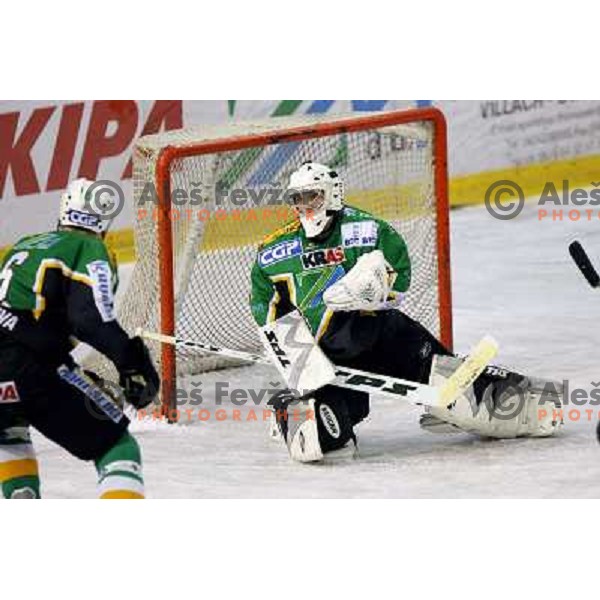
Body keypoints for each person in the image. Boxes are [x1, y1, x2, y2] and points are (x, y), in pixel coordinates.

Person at [249, 162, 562, 462]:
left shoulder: (369, 230)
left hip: (381, 334)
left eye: (312, 196)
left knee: (457, 392)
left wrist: (371, 290)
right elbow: (265, 305)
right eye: (297, 199)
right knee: (323, 440)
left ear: (332, 193)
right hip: (328, 355)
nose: (306, 206)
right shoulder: (275, 251)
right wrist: (298, 356)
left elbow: (400, 275)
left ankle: (514, 400)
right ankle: (286, 408)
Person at [0, 179, 159, 498]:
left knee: (10, 431)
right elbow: (90, 319)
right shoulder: (89, 248)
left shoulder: (24, 244)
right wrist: (131, 362)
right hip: (30, 367)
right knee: (117, 446)